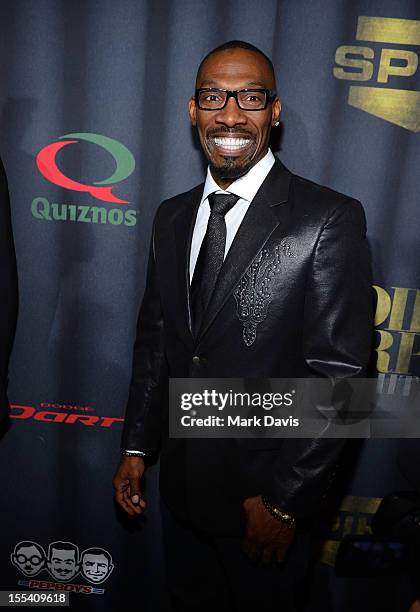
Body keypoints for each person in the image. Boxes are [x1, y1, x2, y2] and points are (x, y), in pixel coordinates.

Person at [113, 40, 373, 611]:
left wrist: (284, 503)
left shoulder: (327, 219)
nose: (230, 115)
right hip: (181, 498)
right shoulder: (172, 215)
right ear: (192, 110)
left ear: (274, 112)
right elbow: (156, 344)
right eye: (214, 98)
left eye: (249, 98)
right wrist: (137, 446)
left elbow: (345, 382)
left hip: (265, 511)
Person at [0, 156, 18, 425]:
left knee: (186, 467)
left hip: (187, 392)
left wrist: (134, 447)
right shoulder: (171, 217)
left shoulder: (170, 216)